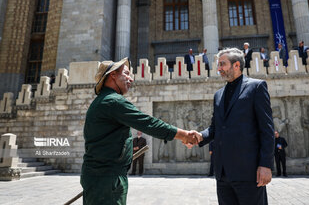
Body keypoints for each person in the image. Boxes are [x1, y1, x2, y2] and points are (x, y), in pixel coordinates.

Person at [80, 58, 198, 205]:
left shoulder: (101, 101)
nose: (131, 78)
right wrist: (184, 135)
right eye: (127, 73)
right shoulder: (113, 101)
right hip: (107, 178)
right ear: (113, 75)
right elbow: (148, 123)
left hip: (100, 177)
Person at [189, 48, 274, 205]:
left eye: (222, 64)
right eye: (218, 65)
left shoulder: (256, 87)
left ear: (236, 65)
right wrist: (200, 136)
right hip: (223, 174)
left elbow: (267, 129)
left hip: (249, 172)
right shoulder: (218, 95)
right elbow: (215, 128)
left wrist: (266, 165)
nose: (219, 68)